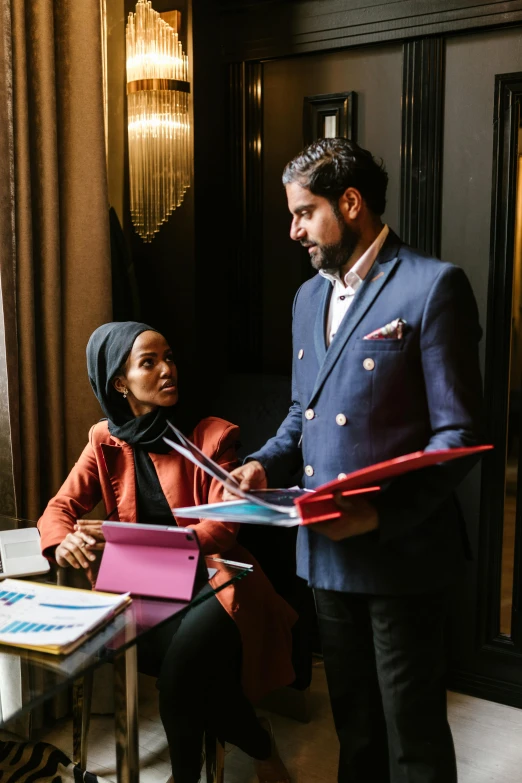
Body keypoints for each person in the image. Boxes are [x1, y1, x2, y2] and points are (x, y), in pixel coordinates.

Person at [225, 138, 484, 783]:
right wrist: (261, 463)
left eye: (304, 213)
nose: (293, 231)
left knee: (413, 734)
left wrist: (377, 516)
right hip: (327, 555)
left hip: (403, 553)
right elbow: (301, 413)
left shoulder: (432, 285)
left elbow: (459, 436)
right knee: (356, 729)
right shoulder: (307, 300)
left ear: (351, 202)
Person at [38, 321, 296, 783]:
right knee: (200, 677)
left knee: (180, 678)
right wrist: (63, 540)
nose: (167, 370)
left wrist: (129, 540)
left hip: (217, 579)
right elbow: (60, 507)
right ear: (120, 383)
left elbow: (223, 527)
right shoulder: (105, 438)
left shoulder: (214, 436)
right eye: (149, 362)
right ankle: (259, 742)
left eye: (169, 358)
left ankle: (185, 777)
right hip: (148, 583)